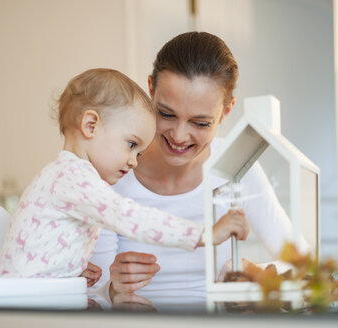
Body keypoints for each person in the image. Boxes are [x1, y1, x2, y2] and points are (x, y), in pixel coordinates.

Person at [90, 32, 307, 300]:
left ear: (226, 112)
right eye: (166, 114)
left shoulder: (240, 166)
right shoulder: (111, 172)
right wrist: (112, 289)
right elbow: (89, 293)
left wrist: (254, 274)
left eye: (200, 123)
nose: (179, 136)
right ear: (151, 90)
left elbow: (306, 267)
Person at [0, 68, 249, 283]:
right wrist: (206, 234)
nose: (134, 161)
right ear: (91, 125)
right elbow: (132, 217)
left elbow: (35, 252)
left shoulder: (62, 175)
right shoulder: (75, 177)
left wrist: (68, 267)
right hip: (22, 304)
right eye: (131, 144)